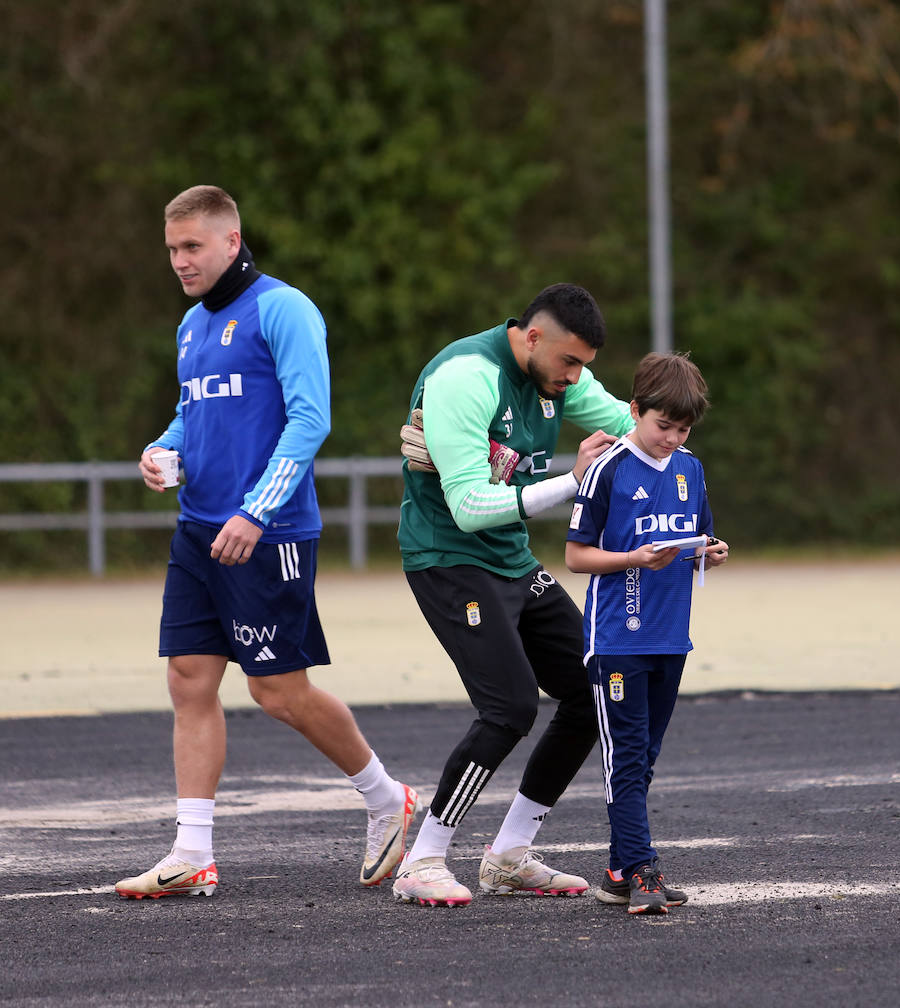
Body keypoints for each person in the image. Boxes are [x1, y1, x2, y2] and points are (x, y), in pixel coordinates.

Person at [117, 185, 416, 899]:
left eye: (192, 247)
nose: (180, 262)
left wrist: (256, 512)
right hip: (198, 529)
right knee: (189, 679)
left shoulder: (284, 308)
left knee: (278, 691)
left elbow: (310, 420)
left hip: (267, 530)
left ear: (231, 239)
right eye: (171, 250)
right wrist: (163, 451)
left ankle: (387, 799)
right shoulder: (191, 326)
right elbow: (194, 415)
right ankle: (192, 851)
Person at [390, 283, 635, 907]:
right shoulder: (467, 377)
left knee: (590, 686)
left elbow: (633, 429)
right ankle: (423, 860)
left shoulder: (558, 376)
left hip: (510, 560)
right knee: (510, 710)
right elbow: (470, 508)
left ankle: (509, 855)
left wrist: (673, 432)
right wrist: (571, 482)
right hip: (449, 559)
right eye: (569, 362)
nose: (576, 378)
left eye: (584, 365)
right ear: (531, 337)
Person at [564, 352, 729, 915]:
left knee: (644, 759)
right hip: (616, 640)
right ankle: (643, 871)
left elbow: (697, 541)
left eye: (682, 429)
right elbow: (576, 556)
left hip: (670, 638)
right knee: (627, 758)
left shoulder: (692, 469)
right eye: (663, 426)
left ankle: (618, 870)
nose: (672, 438)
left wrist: (711, 554)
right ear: (635, 411)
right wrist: (636, 557)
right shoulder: (609, 467)